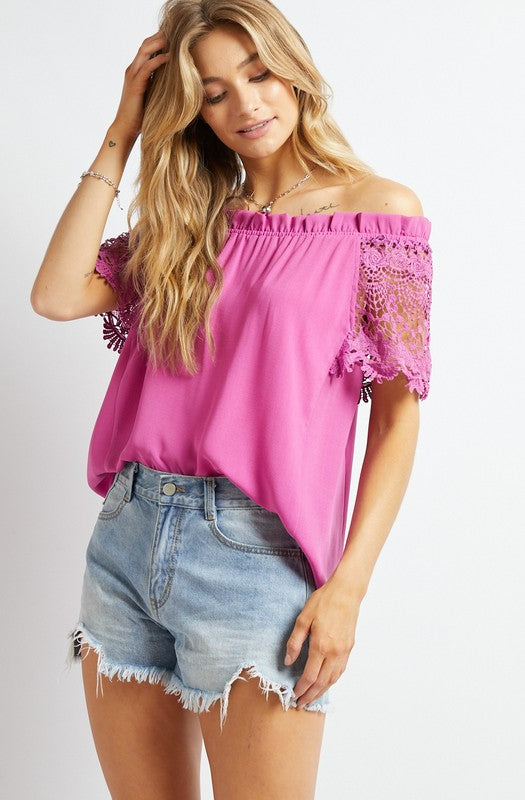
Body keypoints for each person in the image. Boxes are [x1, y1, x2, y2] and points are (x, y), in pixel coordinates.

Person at [30, 1, 433, 797]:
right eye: (212, 92)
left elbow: (396, 414)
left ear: (294, 67)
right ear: (191, 110)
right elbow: (55, 294)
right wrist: (121, 130)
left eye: (257, 73)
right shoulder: (187, 220)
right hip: (124, 542)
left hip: (256, 556)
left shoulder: (380, 215)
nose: (246, 104)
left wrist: (346, 588)